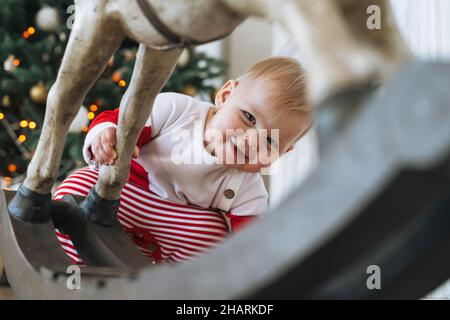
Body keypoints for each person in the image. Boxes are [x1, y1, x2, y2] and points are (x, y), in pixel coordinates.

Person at [53, 56, 313, 264]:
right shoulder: (178, 110)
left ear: (283, 153)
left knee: (214, 237)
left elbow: (252, 241)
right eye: (249, 118)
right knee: (78, 186)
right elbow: (121, 120)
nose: (251, 140)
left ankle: (169, 285)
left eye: (270, 141)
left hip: (175, 225)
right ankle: (77, 262)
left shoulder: (248, 188)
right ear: (225, 96)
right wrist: (106, 135)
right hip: (122, 192)